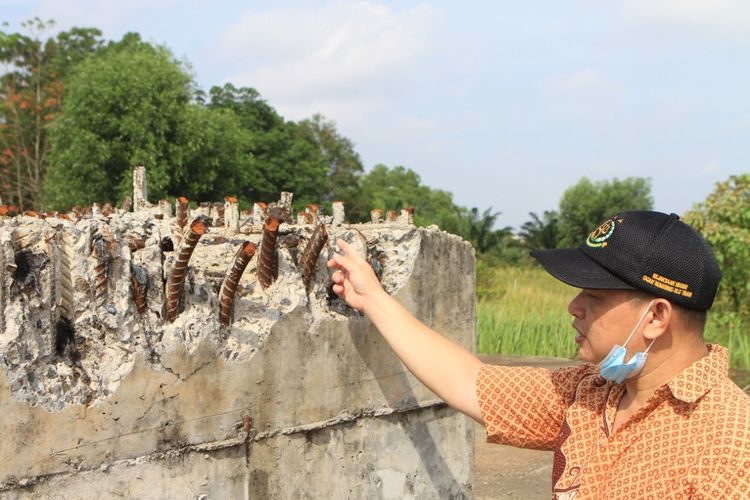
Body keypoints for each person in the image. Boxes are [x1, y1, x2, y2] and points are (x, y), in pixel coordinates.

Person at [327, 210, 750, 498]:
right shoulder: (593, 393)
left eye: (594, 296)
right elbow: (470, 382)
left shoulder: (729, 444)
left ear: (657, 316)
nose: (574, 307)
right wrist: (373, 299)